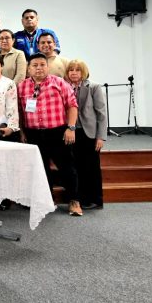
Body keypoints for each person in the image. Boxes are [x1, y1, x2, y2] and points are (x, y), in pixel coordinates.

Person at [18, 54, 82, 216]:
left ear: (48, 67)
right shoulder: (22, 87)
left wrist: (71, 128)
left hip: (58, 132)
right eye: (35, 65)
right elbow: (19, 111)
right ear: (29, 68)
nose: (39, 68)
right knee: (41, 169)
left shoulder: (59, 83)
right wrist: (23, 132)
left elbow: (72, 105)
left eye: (42, 65)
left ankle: (74, 201)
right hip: (33, 133)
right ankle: (47, 200)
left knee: (67, 167)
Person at [65, 60, 107, 210]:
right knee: (76, 166)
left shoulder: (94, 87)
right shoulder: (64, 86)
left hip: (89, 132)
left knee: (91, 167)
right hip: (71, 132)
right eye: (71, 70)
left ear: (84, 72)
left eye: (77, 70)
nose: (74, 73)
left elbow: (101, 113)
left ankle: (95, 199)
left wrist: (100, 137)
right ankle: (79, 198)